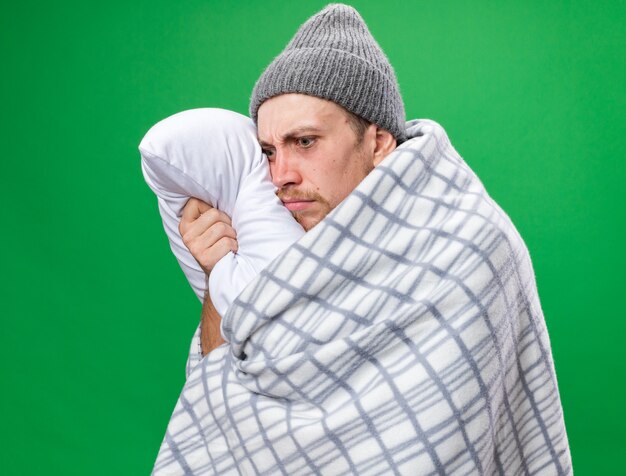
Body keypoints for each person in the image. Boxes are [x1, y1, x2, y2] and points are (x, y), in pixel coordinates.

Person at [152, 4, 571, 474]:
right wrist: (219, 277)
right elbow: (219, 407)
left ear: (378, 141)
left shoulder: (470, 246)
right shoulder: (276, 246)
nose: (281, 175)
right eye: (269, 151)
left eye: (305, 141)